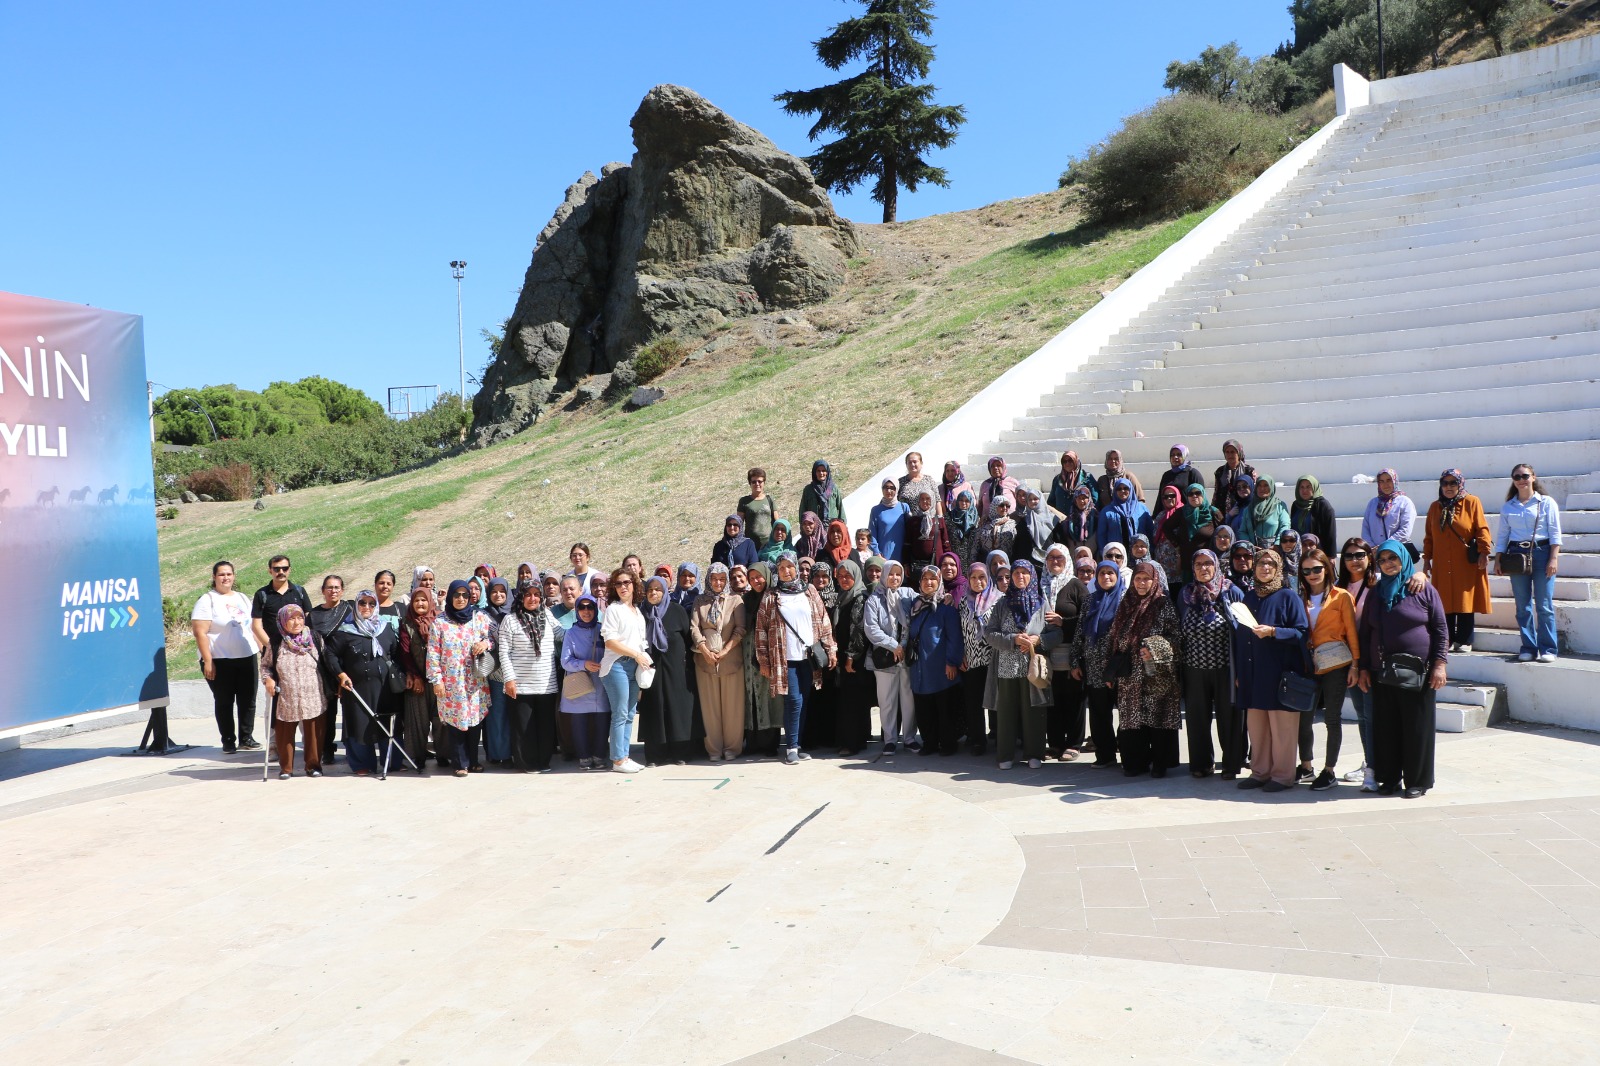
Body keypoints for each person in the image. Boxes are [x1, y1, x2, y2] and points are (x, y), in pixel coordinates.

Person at [1358, 539, 1448, 797]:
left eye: (1392, 559)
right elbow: (1365, 633)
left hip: (1417, 672)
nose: (1388, 564)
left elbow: (1441, 629)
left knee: (1417, 727)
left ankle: (1417, 781)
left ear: (1403, 559)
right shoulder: (1376, 593)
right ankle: (1389, 779)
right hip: (1382, 671)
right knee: (1386, 727)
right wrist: (1364, 668)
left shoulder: (1422, 589)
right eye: (1383, 560)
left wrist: (1439, 664)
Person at [1233, 549, 1310, 793]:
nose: (1265, 568)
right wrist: (1239, 673)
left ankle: (1282, 776)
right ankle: (1260, 772)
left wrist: (1274, 632)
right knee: (1258, 729)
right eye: (1260, 563)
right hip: (1253, 674)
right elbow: (1241, 637)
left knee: (1282, 730)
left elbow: (1302, 632)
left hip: (1280, 674)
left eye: (1270, 564)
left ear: (1278, 569)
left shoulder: (1288, 596)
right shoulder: (1249, 597)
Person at [754, 552, 837, 764]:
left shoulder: (809, 591)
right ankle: (790, 746)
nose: (786, 571)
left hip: (808, 657)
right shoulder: (772, 596)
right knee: (794, 700)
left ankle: (797, 745)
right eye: (782, 568)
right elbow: (761, 630)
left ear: (796, 569)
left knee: (805, 700)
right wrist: (763, 659)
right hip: (784, 659)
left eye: (790, 567)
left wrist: (831, 649)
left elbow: (823, 620)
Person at [1293, 547, 1360, 793]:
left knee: (1332, 718)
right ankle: (1307, 766)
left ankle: (1329, 770)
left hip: (1336, 664)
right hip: (1309, 665)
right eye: (1307, 570)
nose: (1312, 574)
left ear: (1327, 568)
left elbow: (1352, 632)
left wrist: (1355, 664)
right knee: (1304, 718)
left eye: (1317, 569)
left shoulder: (1341, 596)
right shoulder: (1299, 598)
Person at [1107, 561, 1181, 777]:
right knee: (1132, 719)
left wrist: (1153, 649)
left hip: (1156, 672)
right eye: (1138, 579)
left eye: (1146, 579)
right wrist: (1111, 668)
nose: (1141, 583)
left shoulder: (1163, 604)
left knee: (1157, 717)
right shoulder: (1126, 602)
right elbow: (1114, 636)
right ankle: (1135, 762)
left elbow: (1175, 637)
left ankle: (1160, 763)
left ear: (1154, 580)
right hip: (1130, 673)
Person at [1178, 549, 1243, 779]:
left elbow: (1243, 630)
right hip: (1194, 668)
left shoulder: (1230, 592)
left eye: (1208, 563)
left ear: (1216, 566)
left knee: (1229, 718)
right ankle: (1201, 764)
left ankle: (1231, 765)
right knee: (1196, 718)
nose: (1203, 568)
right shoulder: (1186, 594)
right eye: (1198, 564)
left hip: (1226, 667)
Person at [327, 590, 400, 777]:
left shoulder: (386, 628)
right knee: (359, 724)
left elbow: (396, 653)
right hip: (356, 688)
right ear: (356, 606)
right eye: (362, 603)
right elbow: (330, 654)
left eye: (371, 604)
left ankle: (391, 761)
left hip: (385, 688)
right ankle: (362, 764)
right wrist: (341, 674)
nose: (367, 607)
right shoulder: (345, 631)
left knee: (387, 722)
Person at [1494, 463, 1563, 662]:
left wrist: (1553, 557)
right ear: (1513, 480)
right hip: (1516, 555)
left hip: (1542, 552)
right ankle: (1528, 647)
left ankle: (1549, 649)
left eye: (1525, 475)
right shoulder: (1508, 506)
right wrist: (1498, 559)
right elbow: (1503, 535)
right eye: (1517, 477)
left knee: (1544, 604)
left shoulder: (1546, 502)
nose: (1521, 480)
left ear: (1533, 477)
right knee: (1522, 605)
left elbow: (1555, 532)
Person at [191, 560, 261, 755]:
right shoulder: (207, 600)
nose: (226, 578)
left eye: (229, 574)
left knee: (248, 700)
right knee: (224, 701)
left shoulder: (242, 598)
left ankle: (246, 737)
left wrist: (263, 650)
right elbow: (200, 632)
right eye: (221, 574)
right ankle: (228, 740)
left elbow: (252, 627)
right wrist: (208, 660)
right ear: (214, 577)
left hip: (246, 656)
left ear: (234, 576)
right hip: (220, 660)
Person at [984, 560, 1049, 769]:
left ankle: (1035, 753)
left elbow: (1055, 633)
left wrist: (1039, 640)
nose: (1020, 576)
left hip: (1033, 668)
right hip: (1006, 666)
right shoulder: (1002, 604)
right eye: (1016, 573)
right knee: (1006, 712)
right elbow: (989, 634)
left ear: (1032, 576)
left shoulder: (1041, 603)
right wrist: (1013, 639)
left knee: (1034, 710)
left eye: (1025, 573)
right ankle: (1005, 755)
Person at [1420, 470, 1492, 653]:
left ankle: (1465, 640)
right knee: (1444, 600)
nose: (1449, 487)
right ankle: (1448, 639)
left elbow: (1482, 528)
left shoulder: (1472, 502)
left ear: (1460, 484)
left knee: (1465, 598)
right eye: (1445, 483)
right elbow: (1429, 536)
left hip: (1465, 561)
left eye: (1453, 483)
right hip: (1442, 562)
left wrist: (1484, 552)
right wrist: (1427, 560)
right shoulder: (1435, 507)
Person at [427, 580, 494, 777]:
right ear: (450, 597)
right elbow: (433, 654)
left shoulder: (479, 618)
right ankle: (459, 763)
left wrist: (485, 644)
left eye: (465, 595)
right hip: (452, 682)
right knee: (456, 724)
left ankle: (473, 761)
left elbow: (494, 637)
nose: (461, 599)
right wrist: (436, 680)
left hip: (475, 681)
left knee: (474, 723)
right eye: (457, 595)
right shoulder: (440, 623)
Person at [498, 580, 560, 772]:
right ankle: (526, 763)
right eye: (528, 594)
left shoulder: (547, 615)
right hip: (520, 684)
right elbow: (504, 652)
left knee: (545, 726)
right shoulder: (510, 620)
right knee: (524, 727)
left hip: (546, 683)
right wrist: (509, 679)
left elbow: (563, 635)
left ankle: (543, 761)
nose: (532, 598)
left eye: (536, 594)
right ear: (521, 596)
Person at [905, 565, 965, 756]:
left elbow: (954, 638)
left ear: (939, 582)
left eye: (933, 579)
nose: (929, 582)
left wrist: (952, 662)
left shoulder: (946, 609)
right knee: (924, 708)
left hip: (941, 668)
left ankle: (948, 744)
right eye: (925, 579)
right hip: (919, 668)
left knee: (945, 709)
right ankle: (929, 743)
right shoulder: (915, 606)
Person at [259, 604, 324, 778]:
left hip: (313, 695)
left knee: (313, 733)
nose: (297, 622)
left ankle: (313, 766)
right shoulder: (276, 641)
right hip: (287, 696)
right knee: (285, 733)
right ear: (283, 621)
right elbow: (265, 666)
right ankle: (286, 768)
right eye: (292, 619)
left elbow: (326, 662)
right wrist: (268, 679)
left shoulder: (315, 638)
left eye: (300, 617)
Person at [638, 575, 697, 766]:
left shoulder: (677, 611)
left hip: (676, 669)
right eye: (650, 590)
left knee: (677, 709)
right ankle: (656, 754)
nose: (653, 592)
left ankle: (680, 752)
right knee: (654, 708)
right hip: (650, 669)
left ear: (664, 591)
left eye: (658, 589)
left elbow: (689, 639)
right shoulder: (641, 613)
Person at [690, 563, 747, 761]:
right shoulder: (700, 600)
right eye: (714, 578)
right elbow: (694, 628)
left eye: (722, 579)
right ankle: (714, 749)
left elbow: (740, 629)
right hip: (705, 661)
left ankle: (732, 748)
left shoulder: (735, 600)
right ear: (708, 579)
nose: (718, 582)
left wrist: (724, 650)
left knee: (732, 707)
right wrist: (704, 649)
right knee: (710, 708)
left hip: (730, 660)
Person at [1072, 561, 1126, 768]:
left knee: (1125, 711)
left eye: (1110, 573)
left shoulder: (1125, 600)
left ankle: (1127, 751)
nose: (1106, 577)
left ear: (1117, 575)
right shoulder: (1089, 601)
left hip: (1118, 667)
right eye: (1102, 573)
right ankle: (1106, 754)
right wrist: (1075, 660)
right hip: (1094, 666)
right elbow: (1080, 633)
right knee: (1098, 712)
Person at [863, 559, 917, 756]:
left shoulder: (907, 594)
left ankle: (910, 738)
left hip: (905, 656)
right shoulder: (874, 600)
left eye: (898, 574)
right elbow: (871, 629)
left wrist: (943, 597)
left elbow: (926, 599)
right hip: (885, 657)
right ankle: (890, 740)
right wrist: (893, 645)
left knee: (908, 699)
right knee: (886, 700)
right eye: (891, 574)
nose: (894, 578)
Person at [599, 569, 651, 773]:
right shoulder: (613, 609)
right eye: (619, 583)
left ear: (634, 584)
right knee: (620, 713)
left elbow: (640, 641)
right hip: (616, 666)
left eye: (627, 582)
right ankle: (618, 760)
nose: (623, 587)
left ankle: (625, 756)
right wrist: (636, 654)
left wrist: (641, 656)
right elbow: (610, 642)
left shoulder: (637, 611)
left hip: (633, 665)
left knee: (629, 713)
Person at [1043, 556, 1090, 760]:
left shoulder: (1076, 585)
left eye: (1059, 558)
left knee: (1074, 699)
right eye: (1051, 558)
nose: (1055, 561)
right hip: (1047, 651)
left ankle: (1073, 743)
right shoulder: (1041, 583)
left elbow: (1087, 617)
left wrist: (1064, 622)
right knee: (1052, 699)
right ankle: (1054, 743)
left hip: (1071, 651)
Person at [559, 594, 612, 771]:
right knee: (579, 723)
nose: (586, 611)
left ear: (596, 609)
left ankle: (599, 756)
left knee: (602, 721)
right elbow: (565, 661)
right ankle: (583, 757)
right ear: (577, 610)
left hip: (602, 683)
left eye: (590, 607)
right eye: (582, 607)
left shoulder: (603, 629)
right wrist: (583, 664)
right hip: (580, 684)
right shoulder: (571, 633)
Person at [957, 561, 999, 756]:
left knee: (995, 698)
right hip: (972, 658)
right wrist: (961, 655)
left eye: (981, 577)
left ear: (988, 578)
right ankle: (978, 740)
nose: (977, 581)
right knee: (974, 701)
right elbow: (960, 631)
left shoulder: (998, 599)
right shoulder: (964, 601)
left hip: (993, 658)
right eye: (973, 577)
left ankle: (998, 735)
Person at [831, 560, 873, 756]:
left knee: (851, 701)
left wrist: (850, 657)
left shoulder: (859, 598)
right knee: (851, 700)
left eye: (848, 576)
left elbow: (858, 630)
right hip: (845, 656)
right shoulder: (842, 597)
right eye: (840, 576)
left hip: (854, 659)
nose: (844, 579)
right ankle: (858, 739)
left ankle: (851, 743)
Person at [742, 563, 785, 756]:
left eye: (759, 577)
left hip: (768, 653)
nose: (756, 581)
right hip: (747, 653)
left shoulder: (775, 598)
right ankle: (752, 743)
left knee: (770, 698)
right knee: (751, 696)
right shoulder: (746, 600)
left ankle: (769, 744)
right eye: (752, 579)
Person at [398, 588, 438, 772]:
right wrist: (415, 676)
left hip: (438, 680)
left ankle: (444, 755)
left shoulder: (439, 621)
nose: (420, 604)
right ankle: (417, 757)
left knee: (441, 721)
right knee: (416, 720)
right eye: (417, 600)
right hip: (417, 679)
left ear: (430, 602)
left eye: (424, 600)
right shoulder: (406, 623)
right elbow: (405, 653)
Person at [480, 577, 514, 765]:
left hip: (515, 672)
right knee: (496, 715)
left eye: (502, 591)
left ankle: (510, 752)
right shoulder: (482, 615)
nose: (498, 594)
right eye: (494, 591)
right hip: (493, 672)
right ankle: (497, 753)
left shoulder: (516, 612)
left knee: (513, 715)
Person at [1361, 469, 1416, 547]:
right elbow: (1365, 529)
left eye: (1388, 480)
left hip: (1397, 551)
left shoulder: (1404, 502)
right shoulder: (1372, 503)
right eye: (1381, 481)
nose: (1385, 484)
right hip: (1375, 553)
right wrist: (1372, 547)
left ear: (1394, 481)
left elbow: (1405, 530)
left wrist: (1385, 547)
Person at [1096, 477, 1152, 550]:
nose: (1122, 491)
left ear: (1131, 489)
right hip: (1116, 555)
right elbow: (1101, 535)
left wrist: (1151, 549)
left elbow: (1150, 530)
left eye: (1126, 488)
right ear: (1115, 491)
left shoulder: (1142, 508)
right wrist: (1104, 552)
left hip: (1139, 552)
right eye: (1119, 489)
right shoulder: (1106, 511)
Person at [904, 489, 949, 573]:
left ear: (932, 500)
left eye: (928, 498)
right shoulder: (913, 521)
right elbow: (907, 544)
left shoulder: (939, 520)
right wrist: (906, 564)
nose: (925, 501)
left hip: (937, 563)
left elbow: (945, 543)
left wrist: (947, 562)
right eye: (922, 499)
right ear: (918, 501)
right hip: (917, 565)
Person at [1238, 475, 1290, 548]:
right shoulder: (1249, 509)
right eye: (1259, 485)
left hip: (1274, 550)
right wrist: (1250, 546)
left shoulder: (1279, 506)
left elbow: (1285, 526)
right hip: (1254, 551)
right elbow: (1242, 531)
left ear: (1271, 487)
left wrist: (1277, 544)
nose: (1262, 488)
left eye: (1266, 485)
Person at [1289, 476, 1338, 552]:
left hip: (1316, 551)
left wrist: (1331, 555)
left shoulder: (1322, 505)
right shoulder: (1296, 505)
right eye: (1302, 487)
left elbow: (1330, 532)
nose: (1304, 490)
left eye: (1308, 487)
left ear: (1314, 487)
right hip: (1298, 550)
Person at [1013, 488, 1057, 571]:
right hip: (1030, 565)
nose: (1033, 501)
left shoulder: (1053, 519)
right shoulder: (1023, 522)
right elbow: (1019, 546)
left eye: (1035, 499)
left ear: (1041, 500)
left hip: (1050, 563)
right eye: (1030, 499)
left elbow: (1060, 542)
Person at [1213, 440, 1257, 520]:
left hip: (1242, 511)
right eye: (1227, 452)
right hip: (1223, 512)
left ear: (1238, 453)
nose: (1230, 455)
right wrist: (1214, 510)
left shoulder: (1248, 470)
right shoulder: (1220, 471)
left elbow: (1253, 492)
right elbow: (1216, 492)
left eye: (1233, 452)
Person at [1051, 485, 1098, 559]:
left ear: (1089, 499)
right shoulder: (1069, 519)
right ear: (1075, 499)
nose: (1081, 501)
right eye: (1079, 498)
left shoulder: (1096, 516)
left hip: (1093, 555)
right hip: (1074, 555)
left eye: (1084, 498)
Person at [868, 479, 910, 562]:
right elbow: (872, 534)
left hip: (902, 555)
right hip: (883, 556)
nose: (888, 491)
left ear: (897, 489)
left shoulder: (904, 507)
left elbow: (910, 532)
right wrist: (877, 554)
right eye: (885, 488)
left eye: (892, 488)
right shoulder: (876, 510)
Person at [1048, 450, 1098, 516]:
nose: (1067, 463)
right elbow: (1051, 501)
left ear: (1075, 461)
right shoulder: (1057, 479)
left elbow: (1096, 500)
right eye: (1064, 461)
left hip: (1082, 521)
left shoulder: (1086, 477)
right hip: (1061, 521)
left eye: (1070, 460)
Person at [738, 467, 779, 548]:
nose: (757, 484)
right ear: (750, 483)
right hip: (751, 544)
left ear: (764, 483)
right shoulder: (744, 501)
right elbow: (739, 524)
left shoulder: (769, 499)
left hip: (769, 543)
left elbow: (777, 521)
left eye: (760, 481)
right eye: (754, 482)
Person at [800, 459, 845, 523]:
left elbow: (840, 508)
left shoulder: (834, 488)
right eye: (818, 471)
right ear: (814, 473)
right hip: (814, 527)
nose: (821, 473)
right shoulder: (808, 490)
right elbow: (803, 510)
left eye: (823, 471)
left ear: (827, 472)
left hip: (831, 527)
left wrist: (843, 525)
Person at [944, 490, 981, 568]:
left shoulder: (977, 519)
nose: (963, 503)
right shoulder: (949, 516)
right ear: (957, 501)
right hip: (954, 558)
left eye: (967, 501)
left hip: (971, 558)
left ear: (971, 502)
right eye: (961, 500)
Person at [978, 495, 1019, 560]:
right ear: (995, 506)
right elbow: (976, 545)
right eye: (1002, 505)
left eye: (1007, 506)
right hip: (986, 561)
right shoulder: (984, 522)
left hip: (1005, 562)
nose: (1005, 508)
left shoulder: (1012, 523)